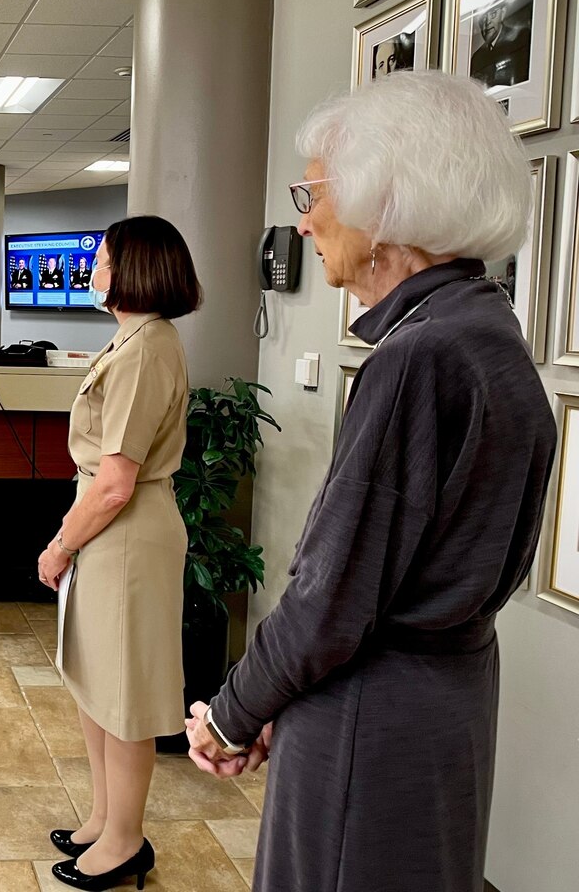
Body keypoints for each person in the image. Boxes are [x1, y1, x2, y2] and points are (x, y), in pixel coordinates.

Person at [183, 73, 553, 892]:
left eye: (314, 192)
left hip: (372, 714)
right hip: (442, 706)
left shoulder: (419, 356)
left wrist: (234, 711)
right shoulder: (489, 334)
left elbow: (329, 596)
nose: (304, 219)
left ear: (387, 205)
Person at [35, 216, 200, 891]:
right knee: (96, 682)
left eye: (101, 258)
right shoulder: (130, 339)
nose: (92, 268)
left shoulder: (147, 347)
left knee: (124, 692)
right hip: (111, 530)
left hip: (126, 533)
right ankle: (105, 815)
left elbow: (115, 483)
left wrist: (59, 544)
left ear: (135, 268)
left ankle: (127, 841)